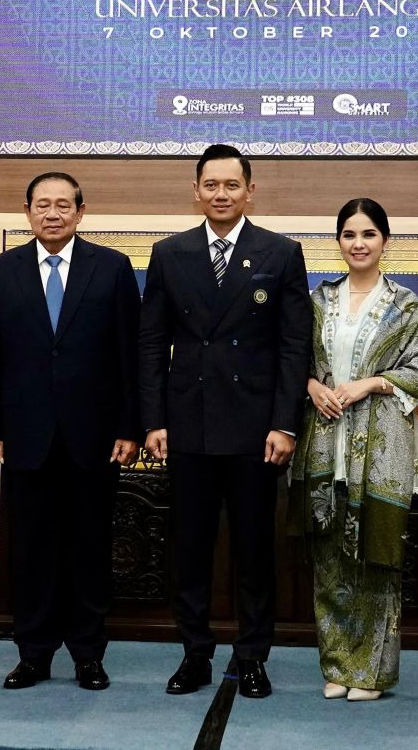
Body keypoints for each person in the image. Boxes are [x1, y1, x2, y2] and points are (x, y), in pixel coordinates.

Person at [139, 143, 313, 699]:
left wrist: (285, 424)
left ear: (250, 190)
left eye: (231, 185)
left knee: (254, 550)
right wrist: (153, 420)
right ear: (196, 191)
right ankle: (194, 653)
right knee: (188, 548)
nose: (221, 194)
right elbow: (151, 344)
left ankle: (253, 655)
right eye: (210, 185)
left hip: (254, 429)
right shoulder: (169, 254)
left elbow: (294, 347)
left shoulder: (281, 252)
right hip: (186, 424)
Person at [0, 172, 142, 691]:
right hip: (25, 436)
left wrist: (129, 426)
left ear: (80, 212)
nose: (52, 213)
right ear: (27, 213)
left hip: (93, 437)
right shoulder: (2, 271)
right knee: (30, 550)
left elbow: (129, 355)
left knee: (89, 549)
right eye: (42, 205)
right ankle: (34, 653)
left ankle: (89, 653)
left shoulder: (111, 268)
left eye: (63, 205)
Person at [289, 198, 418, 702]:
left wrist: (370, 383)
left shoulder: (407, 304)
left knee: (374, 560)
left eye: (369, 234)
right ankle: (336, 665)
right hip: (323, 443)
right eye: (349, 234)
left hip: (381, 450)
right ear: (338, 241)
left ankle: (370, 672)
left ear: (385, 241)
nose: (359, 243)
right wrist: (312, 386)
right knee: (328, 557)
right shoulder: (315, 301)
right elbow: (290, 360)